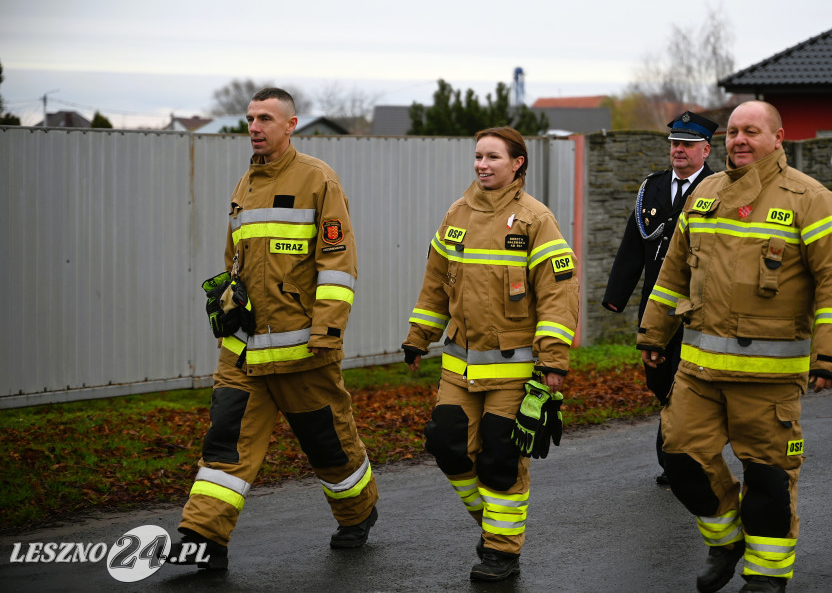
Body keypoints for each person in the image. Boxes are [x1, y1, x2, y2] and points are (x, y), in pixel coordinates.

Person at [638, 101, 832, 593]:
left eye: (752, 131)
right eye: (734, 131)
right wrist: (654, 334)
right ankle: (725, 541)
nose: (739, 139)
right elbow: (673, 273)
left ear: (778, 137)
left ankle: (767, 575)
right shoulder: (706, 194)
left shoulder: (811, 199)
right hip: (697, 373)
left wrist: (829, 356)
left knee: (767, 481)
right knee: (680, 460)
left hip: (768, 379)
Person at [167, 87, 379, 570]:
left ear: (291, 124)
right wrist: (227, 304)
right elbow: (234, 261)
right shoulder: (245, 184)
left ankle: (358, 513)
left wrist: (326, 332)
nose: (255, 126)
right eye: (250, 118)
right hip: (243, 352)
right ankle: (204, 539)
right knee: (225, 443)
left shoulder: (318, 180)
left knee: (329, 446)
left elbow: (338, 263)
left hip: (303, 348)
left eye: (266, 117)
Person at [402, 126, 580, 582]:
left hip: (515, 371)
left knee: (501, 458)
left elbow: (559, 296)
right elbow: (435, 284)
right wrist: (419, 336)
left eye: (493, 157)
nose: (482, 165)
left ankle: (502, 552)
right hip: (458, 368)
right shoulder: (456, 215)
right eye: (478, 157)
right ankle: (496, 527)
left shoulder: (535, 220)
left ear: (517, 163)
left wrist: (554, 361)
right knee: (446, 445)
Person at [603, 111, 717, 484]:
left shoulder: (720, 188)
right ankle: (680, 452)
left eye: (686, 145)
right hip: (656, 306)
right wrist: (616, 296)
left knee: (684, 384)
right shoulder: (651, 187)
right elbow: (633, 245)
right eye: (674, 145)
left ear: (705, 150)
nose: (678, 151)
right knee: (659, 381)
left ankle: (678, 460)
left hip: (699, 307)